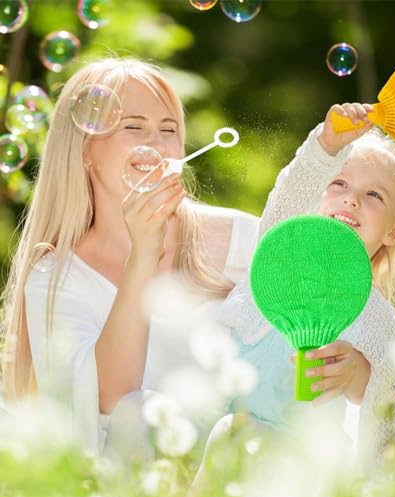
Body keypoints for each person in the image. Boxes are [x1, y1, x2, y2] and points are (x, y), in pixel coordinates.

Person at [0, 58, 261, 456]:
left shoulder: (243, 238)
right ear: (85, 150)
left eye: (168, 129)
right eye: (134, 127)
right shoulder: (55, 278)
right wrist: (144, 255)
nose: (156, 142)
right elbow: (110, 405)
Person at [216, 102, 395, 467]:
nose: (351, 198)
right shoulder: (281, 256)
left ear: (394, 232)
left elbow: (394, 420)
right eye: (339, 183)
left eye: (374, 196)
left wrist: (360, 377)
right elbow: (290, 195)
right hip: (213, 424)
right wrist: (327, 145)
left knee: (234, 437)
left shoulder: (378, 320)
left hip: (298, 460)